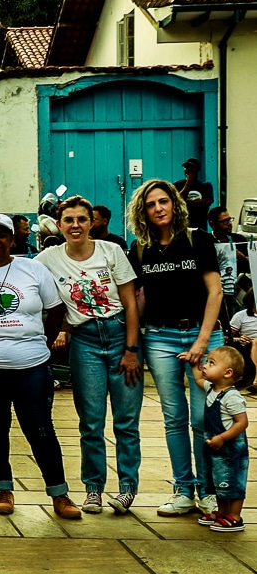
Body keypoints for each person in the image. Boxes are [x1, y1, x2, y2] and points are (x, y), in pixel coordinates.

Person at [0, 214, 80, 519]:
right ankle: (4, 489)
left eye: (2, 235)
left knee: (40, 429)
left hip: (32, 366)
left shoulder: (33, 269)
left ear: (12, 239)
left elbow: (55, 309)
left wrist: (44, 343)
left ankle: (59, 494)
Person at [38, 196, 143, 515]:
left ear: (91, 222)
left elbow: (131, 304)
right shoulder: (48, 258)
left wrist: (131, 350)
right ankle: (94, 488)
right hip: (83, 341)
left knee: (126, 421)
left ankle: (127, 488)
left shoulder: (111, 252)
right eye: (68, 220)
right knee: (91, 421)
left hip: (118, 332)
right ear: (59, 225)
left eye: (82, 219)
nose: (75, 225)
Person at [127, 179, 224, 518]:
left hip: (204, 335)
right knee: (174, 417)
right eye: (151, 204)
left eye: (163, 201)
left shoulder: (198, 240)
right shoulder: (139, 249)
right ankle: (184, 489)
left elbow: (215, 292)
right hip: (160, 338)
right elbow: (134, 299)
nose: (158, 208)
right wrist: (131, 344)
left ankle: (208, 491)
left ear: (174, 204)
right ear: (144, 211)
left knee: (204, 416)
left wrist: (202, 341)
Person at [191, 346, 249, 531]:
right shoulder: (212, 388)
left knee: (233, 481)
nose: (206, 367)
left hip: (231, 450)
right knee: (219, 483)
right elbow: (199, 378)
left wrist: (223, 438)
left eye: (211, 363)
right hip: (216, 449)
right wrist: (195, 363)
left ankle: (235, 516)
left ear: (228, 372)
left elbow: (242, 423)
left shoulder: (231, 396)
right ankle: (223, 513)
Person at [208, 206, 250, 319]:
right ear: (213, 224)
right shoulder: (206, 241)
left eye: (230, 219)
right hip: (215, 291)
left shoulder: (239, 239)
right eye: (224, 221)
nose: (229, 223)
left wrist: (238, 255)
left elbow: (251, 266)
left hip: (237, 290)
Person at [228, 290, 257, 393]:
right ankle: (255, 377)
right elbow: (227, 337)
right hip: (247, 347)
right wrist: (239, 339)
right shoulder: (241, 316)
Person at [176, 157, 214, 231]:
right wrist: (188, 182)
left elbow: (208, 201)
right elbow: (179, 200)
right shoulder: (178, 185)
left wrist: (187, 203)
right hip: (183, 225)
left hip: (200, 224)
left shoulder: (205, 186)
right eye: (186, 167)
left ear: (197, 169)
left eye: (191, 167)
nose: (188, 169)